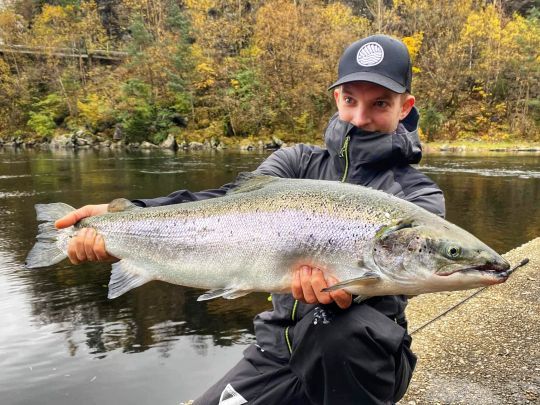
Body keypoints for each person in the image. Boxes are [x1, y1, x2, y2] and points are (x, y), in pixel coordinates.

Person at [56, 34, 445, 404]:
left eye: (380, 103)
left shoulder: (417, 197)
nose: (359, 117)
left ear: (405, 106)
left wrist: (348, 293)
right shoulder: (295, 163)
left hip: (364, 360)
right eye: (349, 100)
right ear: (335, 99)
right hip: (278, 351)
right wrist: (123, 217)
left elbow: (404, 284)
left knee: (339, 329)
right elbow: (220, 206)